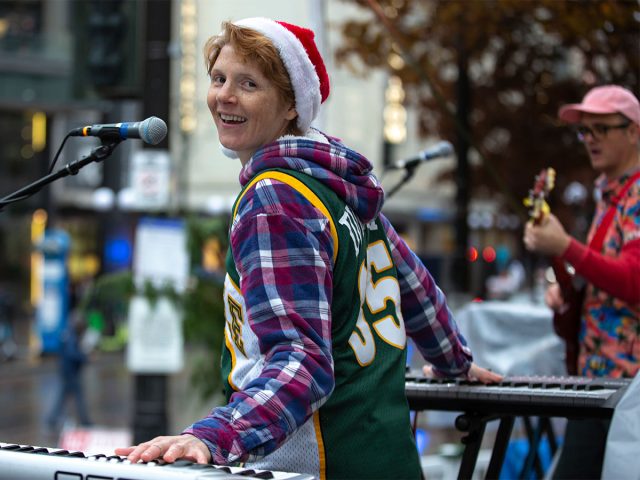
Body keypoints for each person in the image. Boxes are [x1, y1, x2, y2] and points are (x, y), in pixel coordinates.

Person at [116, 17, 501, 478]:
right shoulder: (339, 188)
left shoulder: (273, 200)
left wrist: (212, 436)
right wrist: (455, 361)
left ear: (290, 107)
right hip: (389, 460)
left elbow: (302, 361)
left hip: (323, 467)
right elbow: (413, 283)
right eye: (219, 78)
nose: (224, 96)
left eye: (249, 84)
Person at [523, 84, 640, 479]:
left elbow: (635, 279)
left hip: (627, 388)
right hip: (603, 383)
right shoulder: (613, 195)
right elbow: (608, 272)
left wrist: (566, 247)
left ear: (634, 131)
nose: (589, 139)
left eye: (601, 129)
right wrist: (569, 290)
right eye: (585, 131)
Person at [47, 310, 92, 430]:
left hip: (66, 371)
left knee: (63, 397)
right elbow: (72, 353)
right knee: (78, 397)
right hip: (70, 373)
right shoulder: (71, 336)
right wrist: (84, 358)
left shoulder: (67, 334)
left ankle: (52, 419)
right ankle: (85, 422)